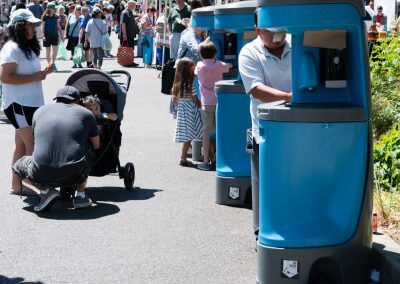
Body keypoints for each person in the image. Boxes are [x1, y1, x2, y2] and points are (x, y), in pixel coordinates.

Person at [238, 13, 292, 238]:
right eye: (271, 29)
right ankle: (264, 230)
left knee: (290, 179)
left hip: (298, 126)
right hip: (266, 127)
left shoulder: (296, 45)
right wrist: (290, 97)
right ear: (258, 29)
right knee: (267, 181)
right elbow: (256, 89)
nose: (278, 33)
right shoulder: (249, 52)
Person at [12, 86, 100, 212]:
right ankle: (80, 196)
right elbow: (96, 145)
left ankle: (46, 191)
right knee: (88, 147)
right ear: (77, 101)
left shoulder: (40, 111)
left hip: (41, 172)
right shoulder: (86, 113)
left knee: (18, 165)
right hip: (75, 171)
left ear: (57, 100)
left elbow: (37, 141)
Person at [0, 9, 54, 196]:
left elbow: (30, 75)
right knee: (32, 143)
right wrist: (36, 76)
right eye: (30, 25)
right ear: (20, 26)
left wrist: (43, 74)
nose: (34, 28)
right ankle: (37, 182)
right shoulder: (11, 48)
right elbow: (5, 77)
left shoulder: (28, 47)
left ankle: (16, 186)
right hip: (18, 104)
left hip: (30, 103)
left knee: (21, 144)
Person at [195, 39, 232, 171]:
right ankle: (218, 158)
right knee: (220, 130)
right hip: (219, 101)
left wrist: (206, 39)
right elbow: (229, 67)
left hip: (206, 103)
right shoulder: (219, 64)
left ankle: (205, 161)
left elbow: (199, 51)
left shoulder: (199, 66)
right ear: (215, 53)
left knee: (206, 131)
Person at [172, 58, 203, 166]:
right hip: (191, 112)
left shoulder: (176, 85)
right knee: (192, 135)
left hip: (182, 112)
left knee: (188, 135)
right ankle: (183, 157)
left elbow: (174, 101)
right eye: (192, 68)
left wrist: (180, 108)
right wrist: (200, 106)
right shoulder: (190, 85)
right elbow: (195, 99)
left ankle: (187, 155)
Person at [42, 3, 62, 71]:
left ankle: (53, 63)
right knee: (48, 50)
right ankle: (49, 64)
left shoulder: (56, 16)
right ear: (50, 8)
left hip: (54, 35)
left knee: (55, 50)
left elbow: (58, 26)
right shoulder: (44, 17)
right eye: (54, 8)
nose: (55, 9)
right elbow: (42, 27)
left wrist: (62, 35)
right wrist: (43, 36)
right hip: (47, 35)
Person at [120, 0, 139, 67]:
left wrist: (138, 19)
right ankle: (126, 61)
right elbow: (123, 24)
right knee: (126, 49)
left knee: (131, 48)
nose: (134, 7)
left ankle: (130, 61)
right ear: (129, 5)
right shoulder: (124, 13)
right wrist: (124, 35)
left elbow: (131, 22)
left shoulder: (130, 12)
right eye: (133, 5)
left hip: (130, 34)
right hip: (126, 34)